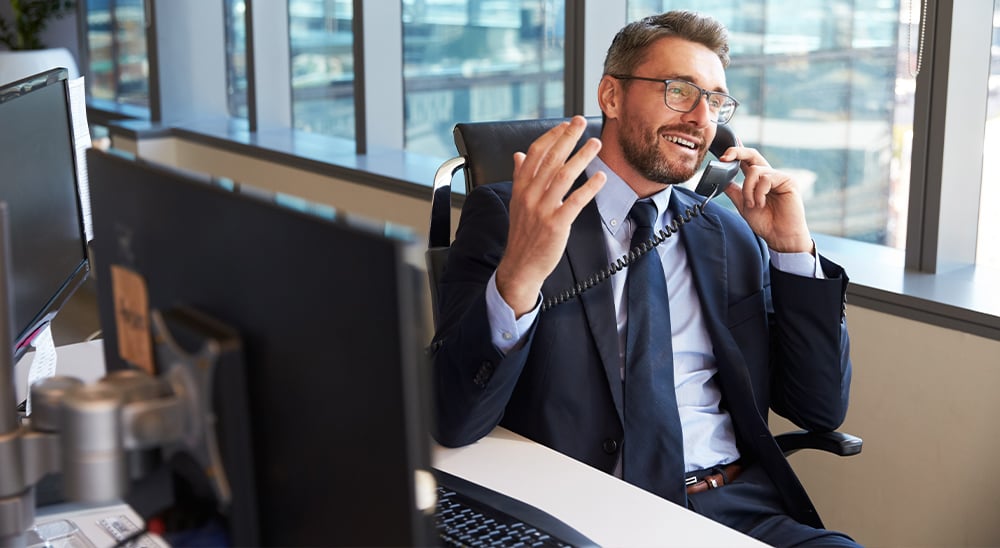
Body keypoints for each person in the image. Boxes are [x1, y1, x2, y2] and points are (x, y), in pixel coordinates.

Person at [431, 10, 858, 547]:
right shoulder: (516, 215)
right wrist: (519, 273)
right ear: (610, 96)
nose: (702, 117)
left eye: (716, 100)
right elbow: (450, 417)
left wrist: (793, 252)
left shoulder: (726, 230)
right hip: (587, 513)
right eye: (679, 90)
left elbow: (819, 408)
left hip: (733, 510)